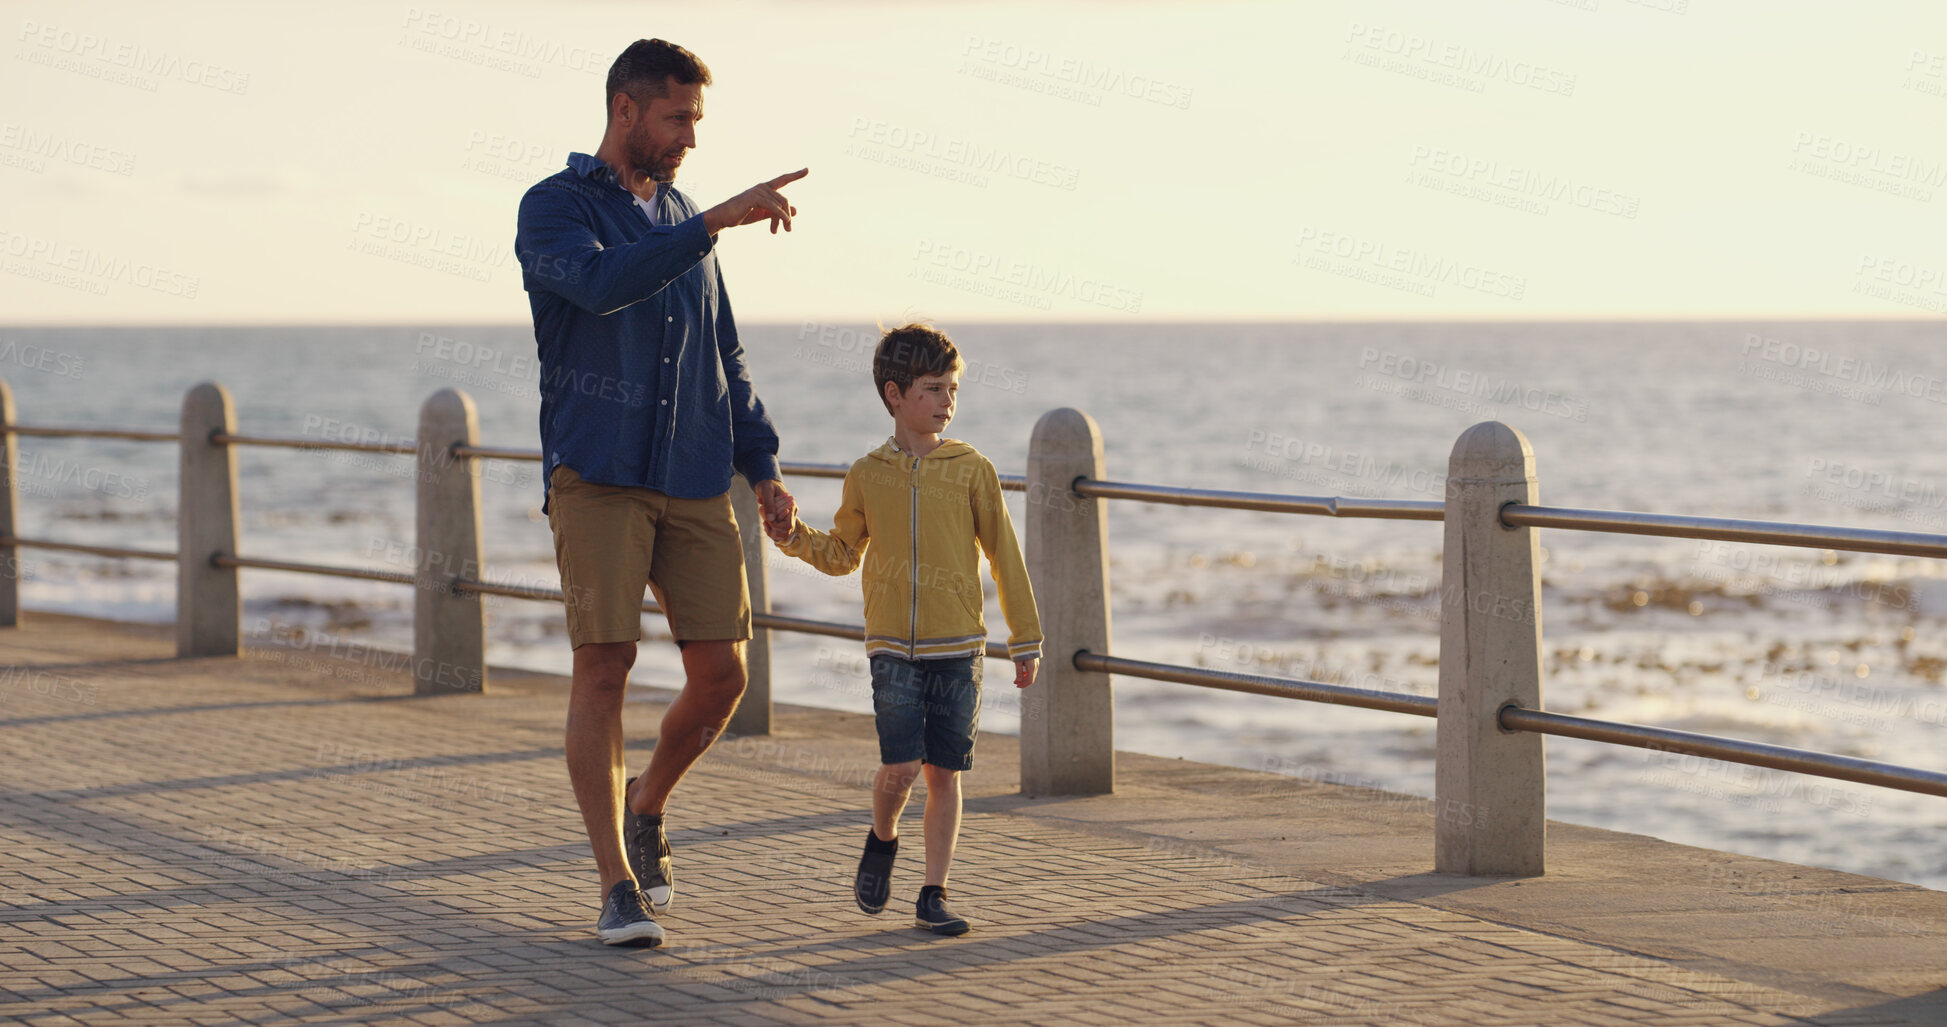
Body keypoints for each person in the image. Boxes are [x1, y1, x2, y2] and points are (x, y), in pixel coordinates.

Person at [514, 38, 805, 948]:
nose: (688, 137)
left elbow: (726, 353)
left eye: (696, 121)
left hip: (690, 472)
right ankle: (615, 887)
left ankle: (648, 800)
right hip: (596, 472)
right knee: (605, 667)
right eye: (676, 118)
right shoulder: (553, 207)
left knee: (723, 674)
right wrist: (709, 223)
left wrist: (761, 466)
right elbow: (600, 286)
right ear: (626, 109)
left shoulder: (684, 214)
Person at [768, 323, 1041, 936]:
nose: (947, 400)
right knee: (902, 769)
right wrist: (791, 537)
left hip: (959, 645)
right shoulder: (868, 473)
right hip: (891, 646)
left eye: (952, 389)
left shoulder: (973, 469)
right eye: (933, 388)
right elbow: (842, 552)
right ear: (895, 394)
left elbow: (1005, 555)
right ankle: (883, 836)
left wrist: (1025, 640)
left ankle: (934, 892)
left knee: (945, 770)